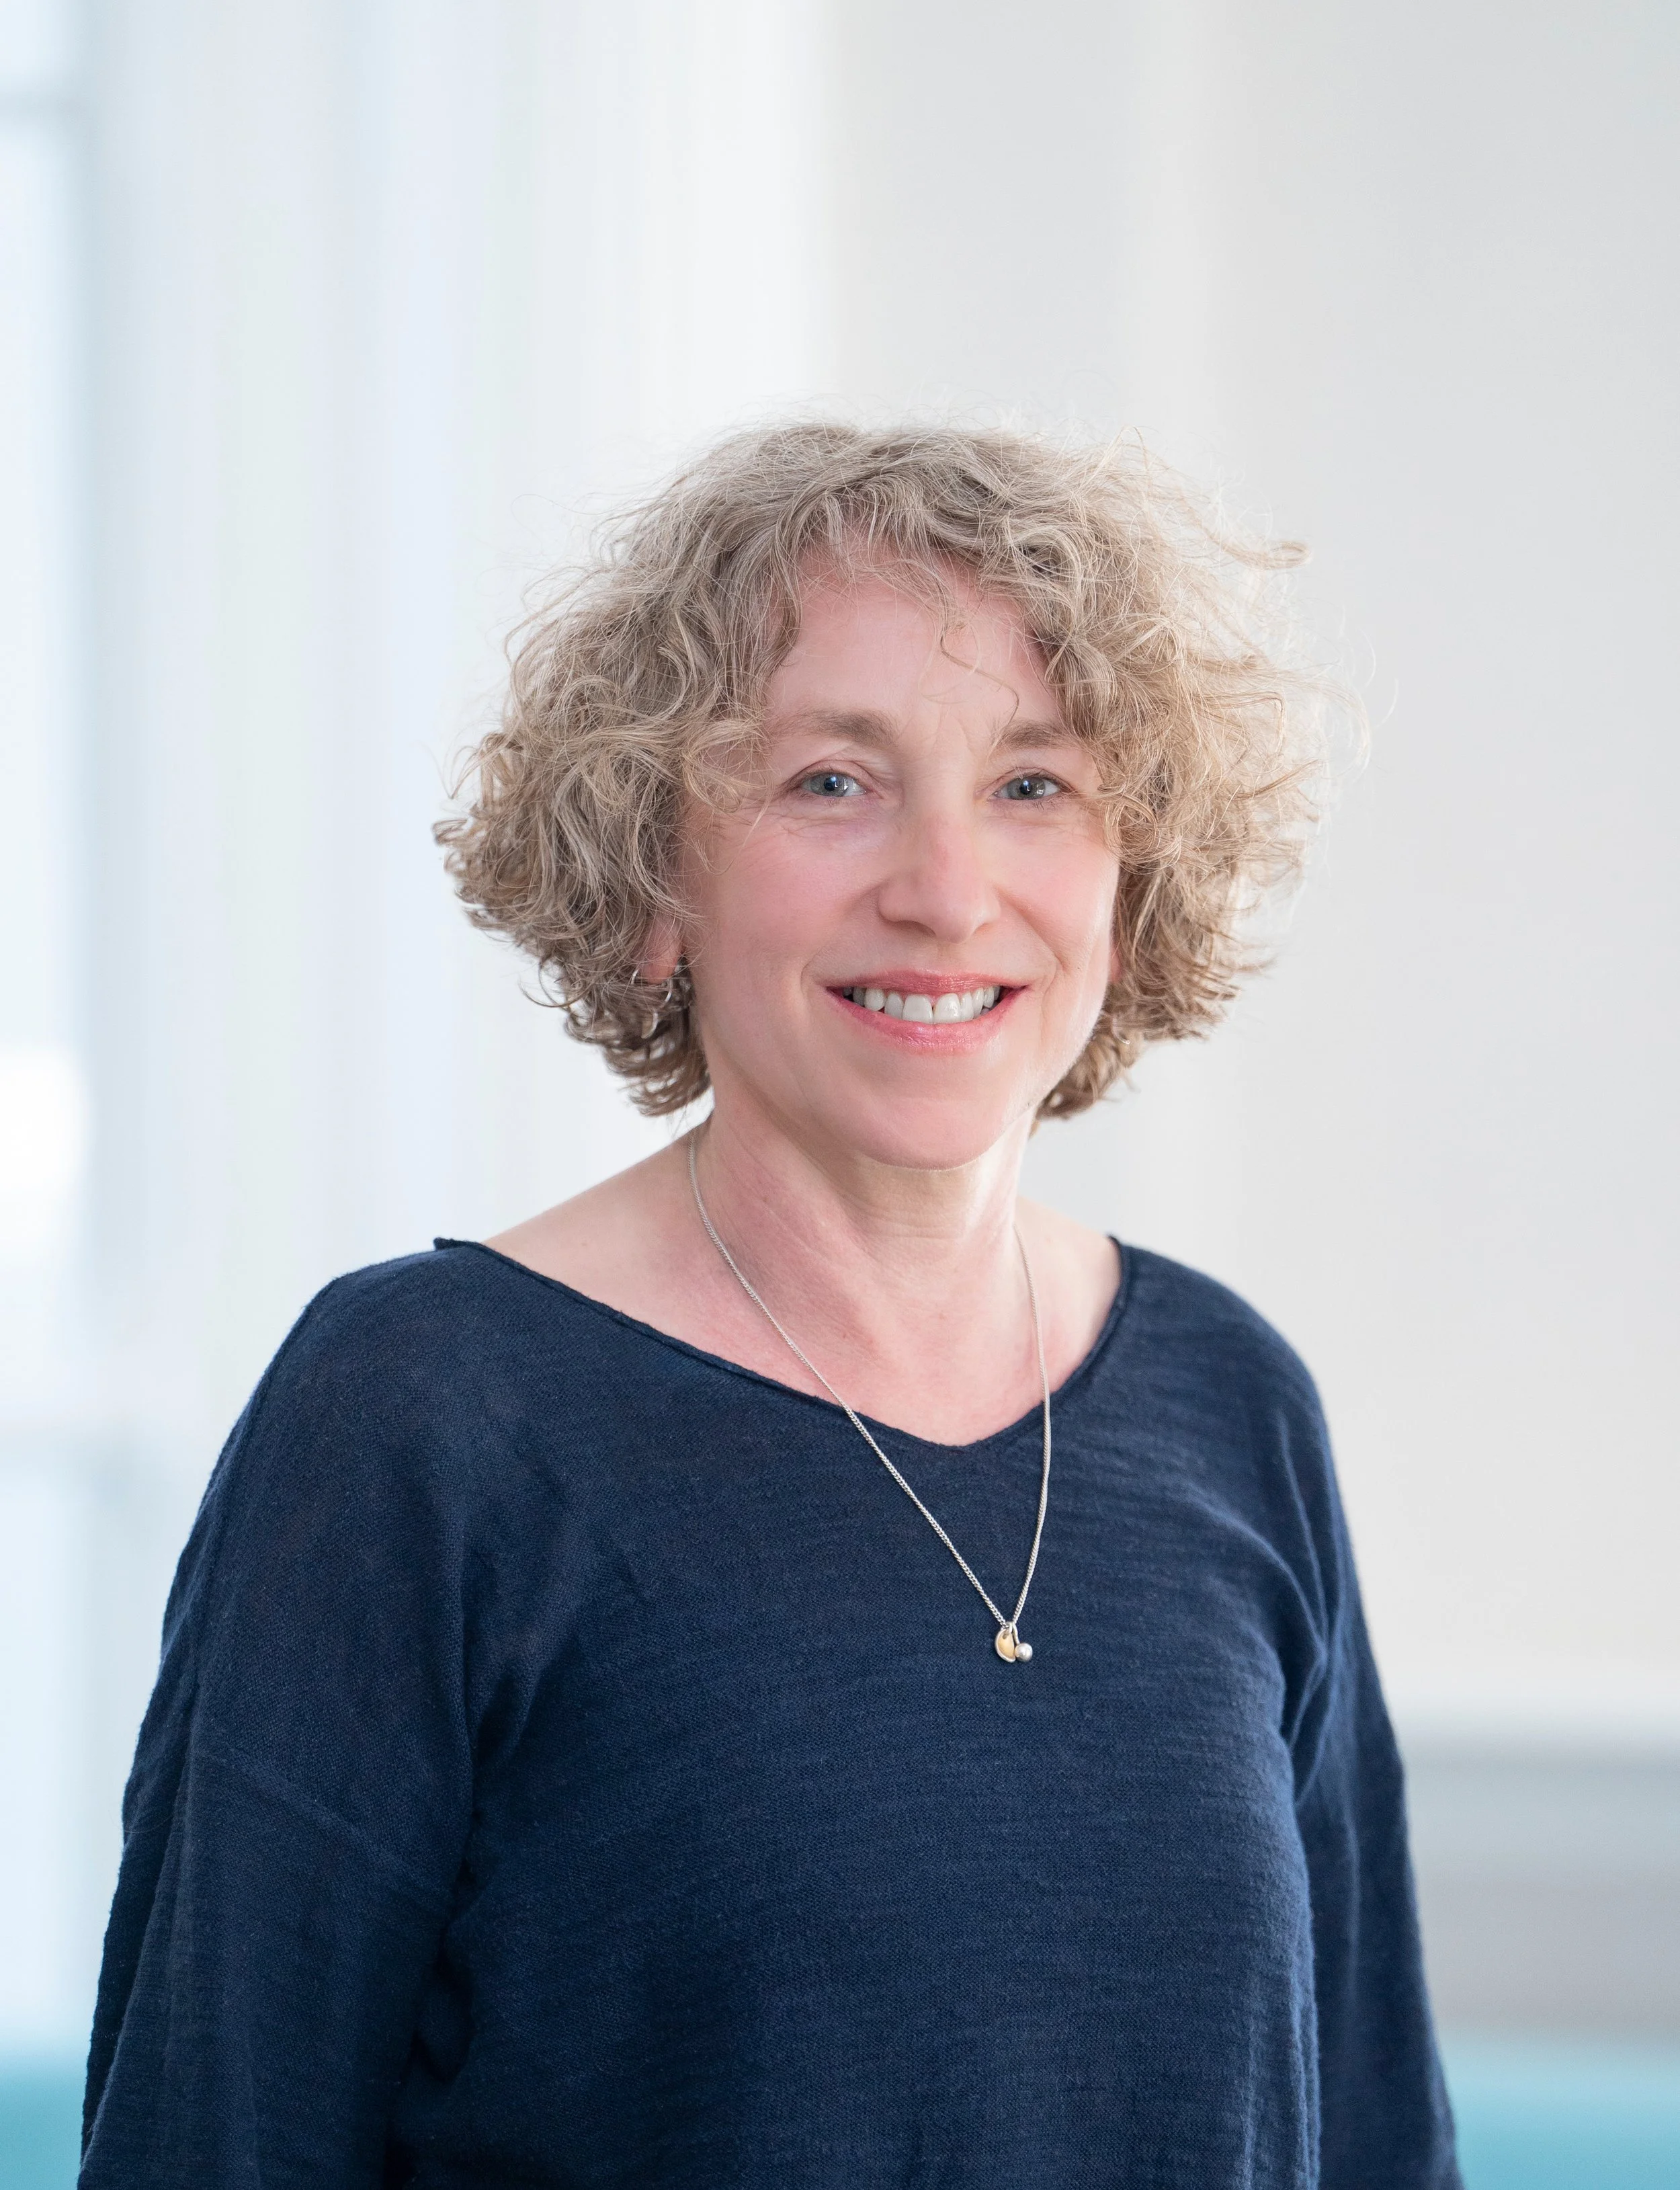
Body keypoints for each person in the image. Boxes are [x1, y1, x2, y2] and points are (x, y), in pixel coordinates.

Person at [81, 423, 1460, 2187]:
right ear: (656, 875)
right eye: (831, 780)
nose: (945, 890)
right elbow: (214, 2145)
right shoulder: (419, 1419)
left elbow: (1372, 2147)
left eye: (1032, 785)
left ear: (1131, 881)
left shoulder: (1227, 1401)